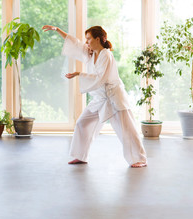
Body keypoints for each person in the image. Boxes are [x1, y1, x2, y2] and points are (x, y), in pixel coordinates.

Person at [42, 25, 147, 168]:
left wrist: (79, 74)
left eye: (89, 39)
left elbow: (101, 77)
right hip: (100, 99)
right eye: (86, 39)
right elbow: (75, 43)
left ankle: (138, 159)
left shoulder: (106, 55)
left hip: (114, 97)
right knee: (81, 123)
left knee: (126, 129)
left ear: (98, 39)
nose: (86, 42)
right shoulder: (89, 53)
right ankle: (80, 156)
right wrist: (56, 29)